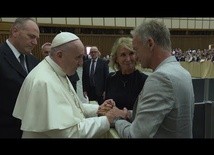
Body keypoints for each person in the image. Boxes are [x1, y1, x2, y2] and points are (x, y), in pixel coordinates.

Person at [12, 32, 115, 138]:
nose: (81, 63)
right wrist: (106, 121)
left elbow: (72, 106)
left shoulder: (58, 71)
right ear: (59, 55)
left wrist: (97, 109)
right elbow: (69, 134)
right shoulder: (44, 82)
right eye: (78, 58)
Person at [104, 20, 195, 138]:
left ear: (150, 44)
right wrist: (127, 114)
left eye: (136, 50)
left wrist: (116, 119)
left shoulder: (160, 79)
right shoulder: (182, 72)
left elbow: (135, 135)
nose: (136, 56)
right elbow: (160, 115)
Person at [0, 18, 40, 138]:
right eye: (31, 36)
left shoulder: (35, 62)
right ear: (15, 32)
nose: (35, 42)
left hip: (32, 129)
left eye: (36, 38)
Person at [105, 37, 148, 110]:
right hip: (112, 120)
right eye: (123, 55)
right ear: (116, 59)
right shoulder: (110, 78)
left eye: (131, 53)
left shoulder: (145, 80)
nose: (128, 59)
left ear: (136, 56)